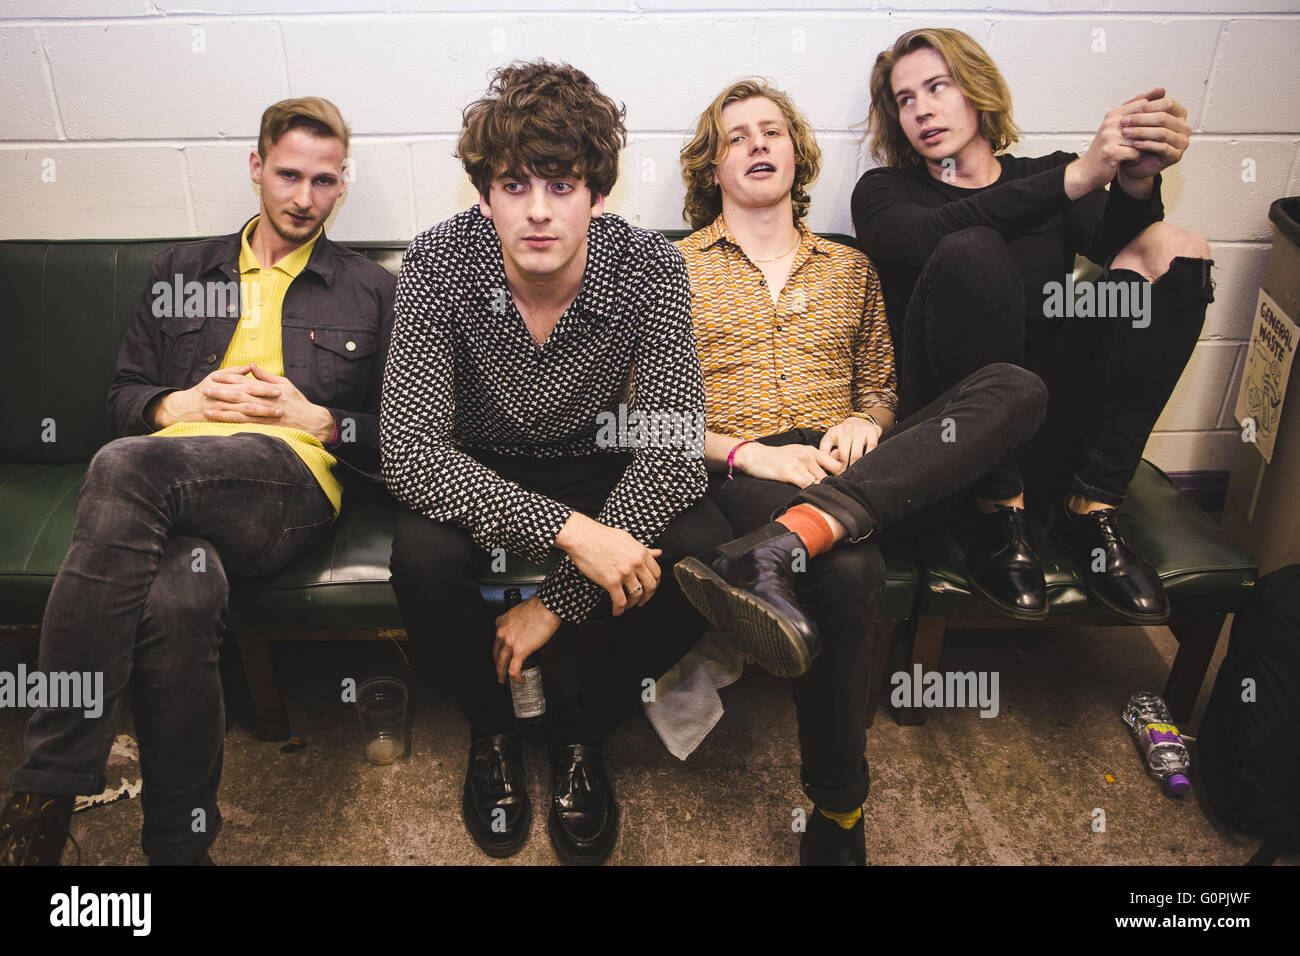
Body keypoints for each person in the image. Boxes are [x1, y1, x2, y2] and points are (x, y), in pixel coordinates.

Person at [0, 97, 395, 866]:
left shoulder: (370, 290)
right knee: (179, 594)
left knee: (124, 466)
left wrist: (319, 420)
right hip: (170, 486)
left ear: (342, 186)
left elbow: (402, 439)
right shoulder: (181, 271)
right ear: (256, 168)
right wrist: (178, 402)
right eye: (288, 175)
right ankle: (180, 848)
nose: (304, 198)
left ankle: (45, 783)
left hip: (287, 490)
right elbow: (121, 398)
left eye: (324, 181)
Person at [671, 80, 1048, 865]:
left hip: (859, 464)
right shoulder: (671, 272)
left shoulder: (851, 268)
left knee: (1017, 387)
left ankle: (793, 539)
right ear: (712, 168)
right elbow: (651, 416)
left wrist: (865, 421)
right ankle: (840, 811)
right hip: (749, 464)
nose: (758, 145)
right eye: (737, 137)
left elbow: (881, 387)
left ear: (796, 155)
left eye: (772, 131)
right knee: (847, 572)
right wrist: (751, 453)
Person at [384, 60, 731, 866]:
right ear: (484, 193)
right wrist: (575, 534)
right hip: (478, 467)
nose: (538, 211)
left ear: (597, 193)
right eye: (514, 186)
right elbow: (408, 451)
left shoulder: (651, 266)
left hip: (594, 460)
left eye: (563, 185)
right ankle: (492, 730)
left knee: (702, 551)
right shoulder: (437, 260)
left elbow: (676, 453)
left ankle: (584, 731)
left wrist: (558, 600)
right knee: (421, 555)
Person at [853, 28, 1214, 623]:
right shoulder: (886, 192)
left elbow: (1125, 249)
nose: (921, 109)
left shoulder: (1042, 173)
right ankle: (997, 512)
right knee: (971, 247)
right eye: (905, 99)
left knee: (1175, 249)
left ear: (978, 90)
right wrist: (1077, 176)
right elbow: (932, 235)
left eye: (937, 87)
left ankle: (1092, 507)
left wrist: (1135, 178)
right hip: (951, 439)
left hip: (1047, 422)